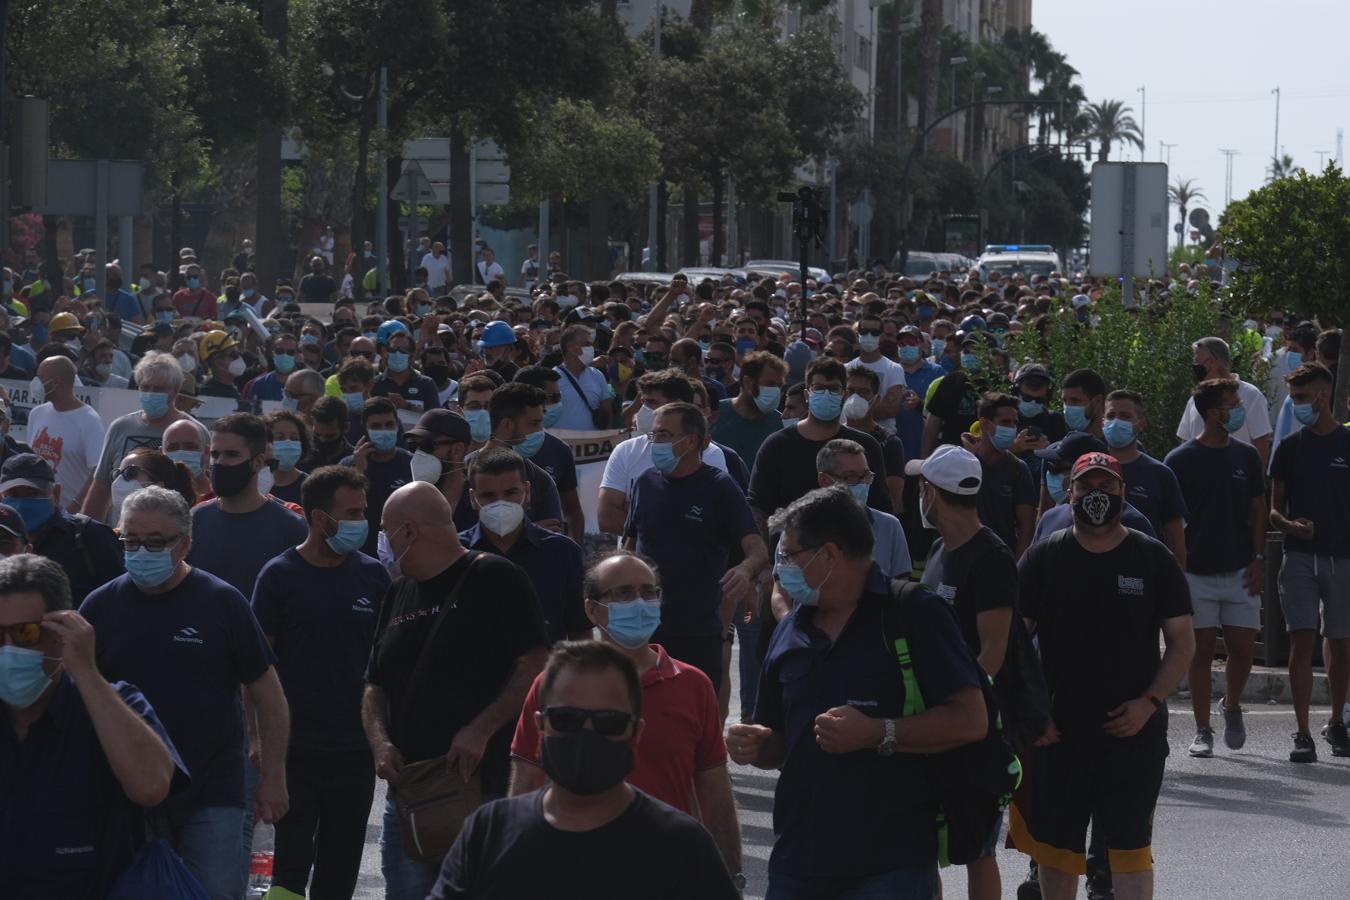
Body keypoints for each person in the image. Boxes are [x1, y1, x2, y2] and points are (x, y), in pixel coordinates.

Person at [729, 485, 987, 898]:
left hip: (891, 862)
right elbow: (778, 741)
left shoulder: (914, 614)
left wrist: (878, 731)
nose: (782, 569)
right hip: (799, 857)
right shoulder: (792, 626)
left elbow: (970, 719)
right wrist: (756, 745)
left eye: (790, 555)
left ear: (829, 554)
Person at [81, 486, 291, 900]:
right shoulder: (100, 607)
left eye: (155, 542)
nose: (141, 551)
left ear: (185, 545)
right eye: (131, 541)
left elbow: (268, 694)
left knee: (213, 891)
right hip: (127, 790)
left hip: (213, 791)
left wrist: (275, 777)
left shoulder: (221, 602)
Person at [1012, 452, 1194, 900]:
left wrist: (1148, 703)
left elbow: (1183, 644)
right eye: (1087, 487)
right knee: (1057, 856)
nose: (1097, 495)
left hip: (1134, 734)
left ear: (1122, 493)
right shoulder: (1043, 557)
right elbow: (1014, 645)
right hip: (1059, 733)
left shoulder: (1152, 557)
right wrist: (1033, 714)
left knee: (1130, 853)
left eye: (1107, 487)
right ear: (1068, 493)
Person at [431, 641, 740, 900]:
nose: (586, 734)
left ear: (635, 734)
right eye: (566, 719)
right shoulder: (489, 831)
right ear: (540, 726)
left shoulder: (682, 846)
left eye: (609, 722)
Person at [363, 482, 549, 898]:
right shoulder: (398, 591)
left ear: (408, 532)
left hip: (482, 790)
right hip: (412, 794)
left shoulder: (495, 577)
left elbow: (535, 664)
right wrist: (380, 742)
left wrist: (481, 729)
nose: (383, 541)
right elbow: (374, 683)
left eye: (386, 529)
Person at [508, 551, 742, 873]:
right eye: (623, 593)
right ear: (592, 609)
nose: (640, 602)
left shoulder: (692, 684)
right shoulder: (553, 685)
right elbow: (525, 783)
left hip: (666, 873)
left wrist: (731, 878)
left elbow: (714, 794)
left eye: (649, 592)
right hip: (571, 871)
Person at [0, 553, 184, 900]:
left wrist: (86, 671)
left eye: (25, 633)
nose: (8, 649)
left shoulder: (111, 704)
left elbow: (151, 787)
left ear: (62, 630)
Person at [251, 466, 391, 899]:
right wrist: (257, 742)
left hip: (353, 751)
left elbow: (385, 667)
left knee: (340, 869)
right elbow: (255, 669)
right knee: (288, 871)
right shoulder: (278, 576)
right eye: (351, 513)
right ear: (318, 518)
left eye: (363, 511)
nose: (360, 522)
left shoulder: (373, 577)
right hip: (294, 749)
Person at [905, 444, 1013, 899]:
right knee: (920, 846)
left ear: (932, 491)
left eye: (921, 486)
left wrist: (962, 709)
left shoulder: (990, 556)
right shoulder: (936, 549)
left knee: (976, 848)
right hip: (928, 720)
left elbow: (993, 651)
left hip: (971, 727)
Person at [623, 402, 767, 693]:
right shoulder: (645, 483)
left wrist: (744, 569)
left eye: (663, 436)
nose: (654, 443)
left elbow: (756, 547)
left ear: (690, 441)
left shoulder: (719, 487)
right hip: (644, 628)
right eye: (653, 436)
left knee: (696, 718)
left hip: (698, 631)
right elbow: (630, 544)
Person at [1164, 379, 1267, 758]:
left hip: (1241, 570)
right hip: (1195, 573)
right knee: (1201, 653)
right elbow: (1170, 519)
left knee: (1242, 650)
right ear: (1212, 413)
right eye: (1232, 404)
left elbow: (1258, 508)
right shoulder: (1179, 460)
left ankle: (1232, 705)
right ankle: (1202, 729)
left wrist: (1258, 559)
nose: (1238, 410)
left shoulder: (1246, 457)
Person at [1269, 362, 1350, 761]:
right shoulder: (1290, 447)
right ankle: (1302, 733)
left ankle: (1336, 721)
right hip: (1298, 557)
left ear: (1322, 396)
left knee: (1341, 641)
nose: (1295, 405)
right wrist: (1291, 525)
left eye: (1301, 398)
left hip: (1344, 558)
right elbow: (1273, 511)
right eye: (1293, 397)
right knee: (1302, 641)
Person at [748, 357, 892, 536]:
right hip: (790, 555)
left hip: (851, 552)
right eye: (819, 388)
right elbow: (759, 507)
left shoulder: (866, 446)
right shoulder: (777, 445)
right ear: (807, 395)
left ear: (844, 394)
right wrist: (763, 556)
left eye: (833, 389)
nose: (826, 394)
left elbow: (881, 507)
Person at [459, 447, 589, 644]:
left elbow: (580, 634)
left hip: (545, 673)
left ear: (527, 492)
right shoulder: (456, 553)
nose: (500, 503)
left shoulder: (562, 552)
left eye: (511, 493)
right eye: (488, 496)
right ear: (472, 498)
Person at [598, 371, 741, 534]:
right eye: (643, 402)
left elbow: (711, 520)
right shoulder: (626, 450)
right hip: (635, 558)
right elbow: (606, 518)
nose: (643, 410)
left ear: (677, 406)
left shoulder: (710, 454)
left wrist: (635, 515)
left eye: (652, 403)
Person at [186, 413, 309, 600]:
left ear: (258, 462)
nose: (219, 463)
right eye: (215, 454)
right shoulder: (193, 521)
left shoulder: (292, 527)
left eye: (232, 454)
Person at [83, 351, 208, 523]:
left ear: (175, 391)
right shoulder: (120, 427)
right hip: (124, 532)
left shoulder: (194, 432)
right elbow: (101, 486)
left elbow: (205, 489)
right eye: (145, 387)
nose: (151, 393)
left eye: (159, 389)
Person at [0, 453, 123, 606]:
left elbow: (121, 598)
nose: (22, 502)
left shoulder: (90, 536)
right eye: (12, 494)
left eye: (33, 493)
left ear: (56, 494)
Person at [1102, 390, 1188, 564]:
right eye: (1111, 416)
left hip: (1145, 575)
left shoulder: (1160, 474)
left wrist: (1176, 585)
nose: (1116, 422)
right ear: (1102, 423)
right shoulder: (1089, 469)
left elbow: (1176, 540)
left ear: (1141, 424)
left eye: (1125, 416)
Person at [1030, 433, 1157, 545]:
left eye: (1060, 469)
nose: (1052, 474)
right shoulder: (1050, 519)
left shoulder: (1133, 523)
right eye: (1051, 468)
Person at [818, 439, 911, 580]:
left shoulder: (889, 526)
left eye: (866, 475)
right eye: (850, 476)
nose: (862, 484)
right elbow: (782, 591)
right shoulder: (799, 529)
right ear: (825, 480)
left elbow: (901, 585)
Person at [1176, 336, 1273, 470]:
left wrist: (1256, 483)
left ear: (1212, 362)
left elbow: (1261, 443)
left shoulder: (1251, 395)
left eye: (1197, 361)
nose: (1195, 367)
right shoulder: (1195, 399)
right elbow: (1185, 440)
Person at [513, 366, 585, 541]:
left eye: (559, 396)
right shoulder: (493, 450)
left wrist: (575, 552)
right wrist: (529, 531)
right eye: (554, 397)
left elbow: (573, 510)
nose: (559, 403)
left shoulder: (560, 450)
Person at [26, 355, 105, 511]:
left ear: (57, 381)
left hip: (69, 516)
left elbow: (98, 471)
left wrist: (75, 506)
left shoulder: (89, 420)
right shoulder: (37, 414)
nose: (36, 383)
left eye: (41, 378)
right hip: (38, 510)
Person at [966, 392, 1038, 559]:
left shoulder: (1018, 469)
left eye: (1015, 423)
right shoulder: (964, 465)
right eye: (1005, 422)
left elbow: (1027, 526)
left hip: (1001, 560)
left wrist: (1017, 568)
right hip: (965, 558)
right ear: (984, 424)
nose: (1012, 428)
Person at [342, 397, 412, 557]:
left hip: (404, 552)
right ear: (365, 430)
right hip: (362, 552)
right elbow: (343, 509)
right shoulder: (347, 465)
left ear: (397, 426)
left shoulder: (412, 463)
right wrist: (359, 472)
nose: (384, 431)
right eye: (376, 426)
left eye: (389, 425)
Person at [841, 366, 907, 514]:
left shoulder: (889, 443)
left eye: (864, 392)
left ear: (876, 399)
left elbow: (893, 501)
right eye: (851, 391)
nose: (855, 397)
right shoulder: (833, 437)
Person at [711, 350, 787, 473]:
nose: (776, 391)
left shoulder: (780, 423)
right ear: (748, 382)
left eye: (779, 386)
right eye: (770, 384)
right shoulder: (715, 415)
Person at [846, 310, 908, 433]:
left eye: (874, 333)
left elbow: (890, 410)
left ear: (881, 336)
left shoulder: (894, 369)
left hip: (882, 436)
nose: (869, 336)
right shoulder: (846, 368)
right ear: (858, 334)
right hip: (850, 433)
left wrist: (852, 409)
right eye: (864, 332)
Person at [554, 324, 610, 430]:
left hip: (593, 444)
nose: (592, 348)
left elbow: (607, 411)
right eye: (587, 344)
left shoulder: (597, 375)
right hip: (563, 443)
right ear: (571, 347)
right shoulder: (553, 378)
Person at [373, 327, 439, 412]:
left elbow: (436, 417)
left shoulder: (426, 384)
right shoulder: (375, 383)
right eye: (393, 349)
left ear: (411, 355)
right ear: (387, 352)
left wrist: (407, 406)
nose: (397, 353)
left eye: (403, 350)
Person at [265, 410, 310, 506]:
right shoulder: (255, 485)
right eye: (280, 438)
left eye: (294, 438)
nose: (288, 442)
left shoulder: (311, 487)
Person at [310, 395, 355, 468]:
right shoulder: (301, 456)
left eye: (330, 436)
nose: (322, 440)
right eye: (317, 434)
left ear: (346, 428)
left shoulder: (355, 460)